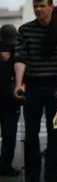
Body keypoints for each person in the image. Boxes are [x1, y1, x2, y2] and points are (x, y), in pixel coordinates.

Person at [14, 0, 57, 182]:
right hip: (33, 87)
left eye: (42, 6)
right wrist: (19, 84)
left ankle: (53, 176)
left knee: (55, 136)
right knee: (31, 136)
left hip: (55, 87)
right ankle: (32, 176)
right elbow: (20, 58)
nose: (38, 10)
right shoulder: (25, 30)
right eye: (35, 6)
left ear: (51, 7)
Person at [0, 24, 20, 176]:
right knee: (9, 134)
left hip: (10, 98)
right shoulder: (17, 48)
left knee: (10, 133)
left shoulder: (16, 49)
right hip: (10, 98)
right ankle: (5, 165)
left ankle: (6, 164)